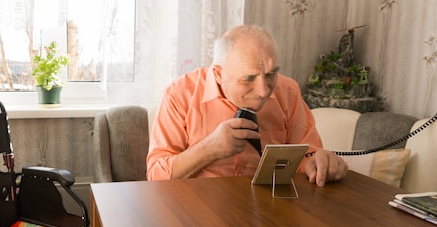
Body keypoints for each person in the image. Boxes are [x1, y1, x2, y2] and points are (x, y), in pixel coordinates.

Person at [146, 25, 348, 186]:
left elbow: (308, 156)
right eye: (248, 79)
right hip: (198, 213)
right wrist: (210, 148)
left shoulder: (289, 91)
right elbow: (155, 175)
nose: (263, 91)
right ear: (218, 73)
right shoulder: (179, 94)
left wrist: (321, 163)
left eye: (270, 74)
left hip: (270, 210)